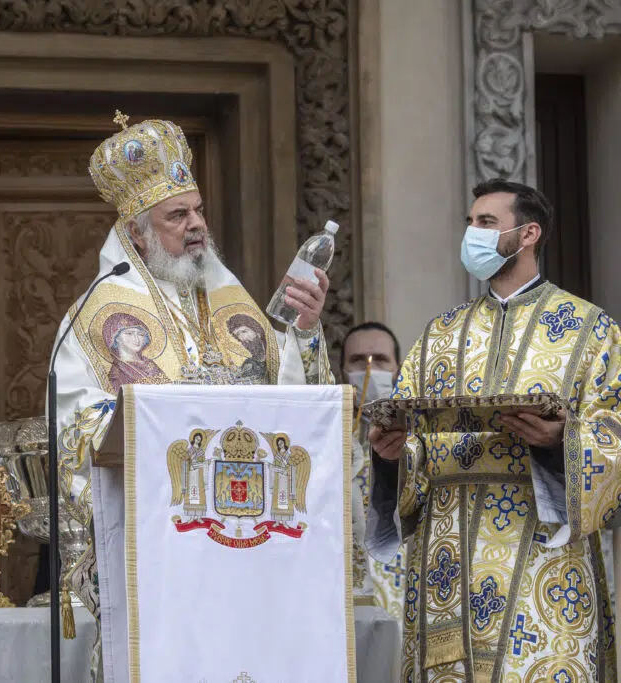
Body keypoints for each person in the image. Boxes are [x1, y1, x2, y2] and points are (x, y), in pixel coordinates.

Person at [51, 112, 333, 681]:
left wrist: (303, 332)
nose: (197, 224)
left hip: (254, 545)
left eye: (198, 209)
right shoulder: (94, 317)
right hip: (162, 550)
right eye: (177, 215)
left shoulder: (238, 306)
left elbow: (298, 408)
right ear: (137, 231)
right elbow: (74, 431)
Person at [367, 179, 621, 680]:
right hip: (448, 563)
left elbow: (613, 439)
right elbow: (409, 438)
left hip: (542, 564)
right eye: (470, 223)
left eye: (486, 223)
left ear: (528, 234)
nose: (473, 234)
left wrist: (558, 442)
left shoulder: (591, 332)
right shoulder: (440, 335)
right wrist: (389, 453)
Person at [341, 321, 408, 624]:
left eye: (380, 360)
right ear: (342, 370)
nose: (369, 367)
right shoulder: (326, 434)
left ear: (398, 369)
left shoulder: (419, 431)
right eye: (357, 361)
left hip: (403, 581)